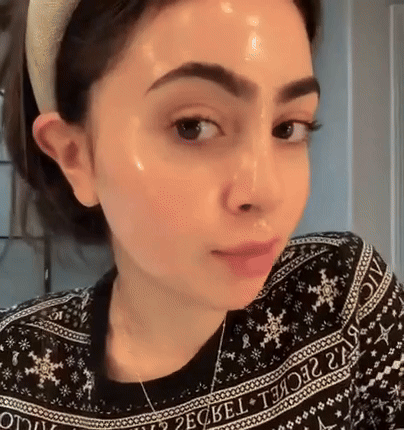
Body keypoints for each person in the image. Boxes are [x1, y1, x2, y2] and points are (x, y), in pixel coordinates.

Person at [0, 0, 403, 428]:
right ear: (76, 156)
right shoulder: (15, 377)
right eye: (193, 126)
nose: (265, 192)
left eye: (287, 128)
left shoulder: (339, 299)